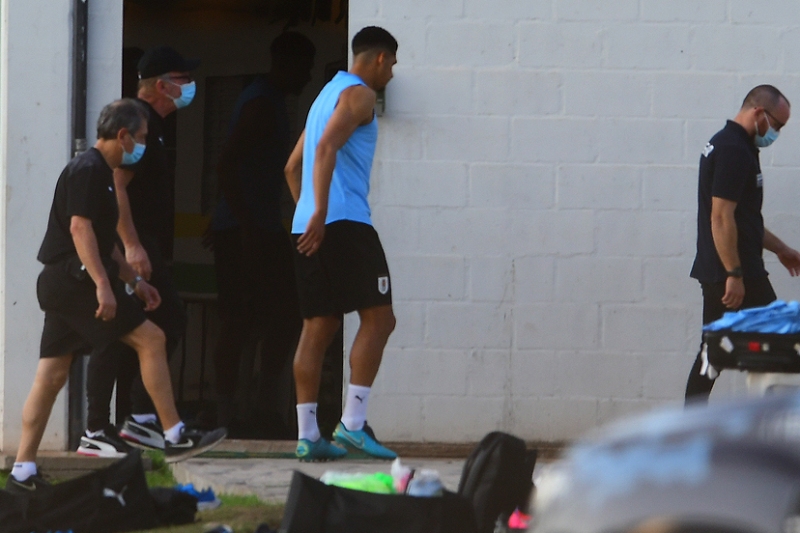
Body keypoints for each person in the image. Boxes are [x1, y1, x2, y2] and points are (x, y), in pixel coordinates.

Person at [6, 100, 226, 492]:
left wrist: (135, 282)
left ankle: (22, 470)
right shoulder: (89, 169)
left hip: (63, 280)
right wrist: (104, 286)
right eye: (140, 138)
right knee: (152, 338)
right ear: (122, 136)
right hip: (75, 279)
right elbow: (80, 230)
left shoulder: (102, 173)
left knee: (52, 375)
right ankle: (175, 435)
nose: (144, 145)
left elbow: (106, 244)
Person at [284, 26, 399, 461]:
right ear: (381, 59)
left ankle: (308, 435)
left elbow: (291, 167)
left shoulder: (322, 97)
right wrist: (323, 214)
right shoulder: (361, 95)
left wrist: (309, 212)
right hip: (345, 222)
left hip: (311, 227)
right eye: (392, 66)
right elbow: (328, 148)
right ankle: (352, 424)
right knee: (380, 320)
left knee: (319, 327)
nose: (391, 75)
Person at [78, 46, 195, 457]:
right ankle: (132, 420)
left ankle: (132, 419)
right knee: (155, 324)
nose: (189, 86)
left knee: (143, 330)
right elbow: (118, 185)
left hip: (145, 244)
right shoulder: (138, 124)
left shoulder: (156, 128)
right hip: (134, 246)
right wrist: (131, 246)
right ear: (162, 85)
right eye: (183, 78)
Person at [209, 32, 315, 435]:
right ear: (286, 64)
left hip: (257, 225)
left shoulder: (271, 102)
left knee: (283, 313)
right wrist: (242, 222)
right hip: (249, 229)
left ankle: (261, 404)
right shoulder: (260, 104)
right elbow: (226, 164)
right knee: (238, 318)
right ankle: (228, 413)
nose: (307, 78)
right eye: (304, 69)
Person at [685, 84, 800, 404]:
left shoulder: (731, 145)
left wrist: (781, 249)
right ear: (759, 113)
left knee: (713, 355)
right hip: (736, 274)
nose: (776, 133)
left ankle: (693, 434)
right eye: (777, 125)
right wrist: (734, 274)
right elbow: (720, 218)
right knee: (781, 342)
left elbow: (743, 220)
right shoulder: (734, 150)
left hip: (729, 270)